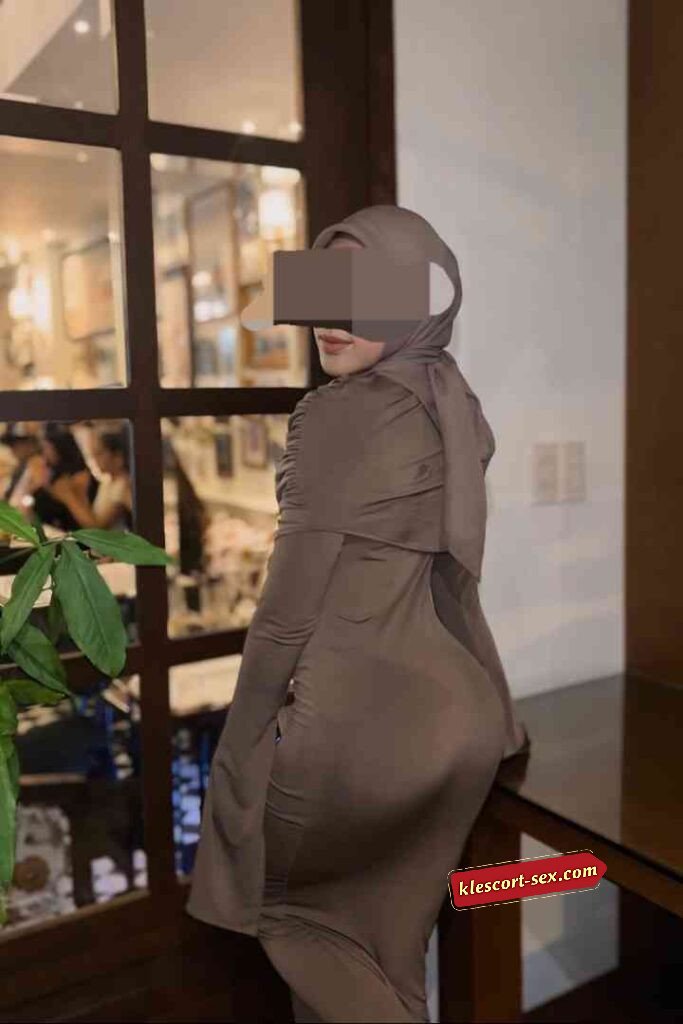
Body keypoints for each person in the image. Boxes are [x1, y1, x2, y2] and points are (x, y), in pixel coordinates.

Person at [186, 205, 530, 1023]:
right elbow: (453, 583)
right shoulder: (450, 398)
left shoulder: (339, 414)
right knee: (386, 952)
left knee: (308, 931)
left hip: (359, 739)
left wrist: (237, 755)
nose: (331, 319)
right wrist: (499, 715)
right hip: (454, 726)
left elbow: (284, 616)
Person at [44, 429, 133, 531]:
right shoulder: (106, 479)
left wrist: (69, 498)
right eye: (90, 456)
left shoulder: (122, 484)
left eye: (99, 454)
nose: (94, 460)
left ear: (117, 457)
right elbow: (94, 515)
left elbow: (97, 529)